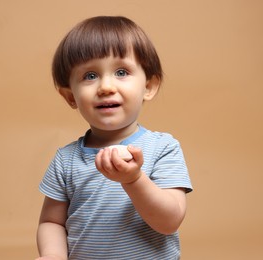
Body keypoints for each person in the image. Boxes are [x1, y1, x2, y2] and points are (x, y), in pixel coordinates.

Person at [36, 16, 192, 260]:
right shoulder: (66, 160)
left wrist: (133, 179)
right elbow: (51, 222)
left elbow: (169, 221)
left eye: (121, 72)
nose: (106, 86)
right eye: (89, 76)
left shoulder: (163, 148)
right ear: (70, 97)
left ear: (148, 86)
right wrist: (53, 255)